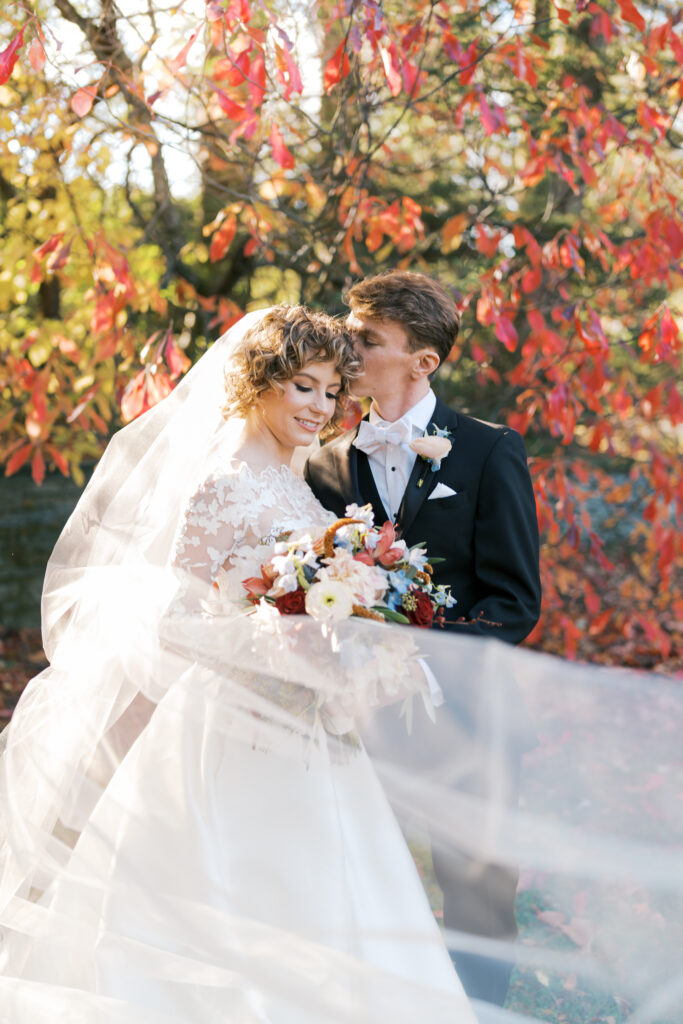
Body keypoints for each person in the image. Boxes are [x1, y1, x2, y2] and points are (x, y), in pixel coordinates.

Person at [0, 306, 479, 1023]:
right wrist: (273, 640)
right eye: (303, 388)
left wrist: (351, 647)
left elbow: (313, 594)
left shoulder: (295, 483)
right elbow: (174, 616)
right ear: (260, 384)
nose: (320, 408)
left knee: (328, 889)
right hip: (228, 724)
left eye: (329, 393)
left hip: (303, 725)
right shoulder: (221, 484)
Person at [304, 270, 542, 1006]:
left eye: (366, 341)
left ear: (422, 362)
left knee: (476, 894)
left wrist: (418, 655)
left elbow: (514, 601)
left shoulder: (486, 451)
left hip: (468, 716)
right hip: (354, 715)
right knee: (361, 876)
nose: (348, 352)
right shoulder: (323, 462)